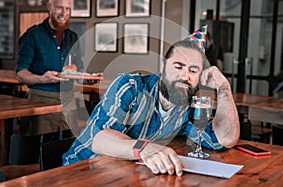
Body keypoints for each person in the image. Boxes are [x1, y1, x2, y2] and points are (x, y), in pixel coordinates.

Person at [63, 27, 239, 177]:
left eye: (193, 71)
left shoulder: (187, 108)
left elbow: (224, 140)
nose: (185, 76)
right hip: (79, 171)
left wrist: (224, 88)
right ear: (162, 67)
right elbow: (99, 139)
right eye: (178, 67)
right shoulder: (130, 87)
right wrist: (145, 149)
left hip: (122, 174)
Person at [16, 0, 83, 135]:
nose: (64, 13)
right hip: (41, 99)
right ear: (49, 7)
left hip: (68, 100)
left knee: (67, 149)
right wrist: (41, 78)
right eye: (60, 7)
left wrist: (75, 68)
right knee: (40, 150)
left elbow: (80, 68)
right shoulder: (32, 35)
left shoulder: (72, 37)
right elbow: (21, 74)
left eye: (68, 9)